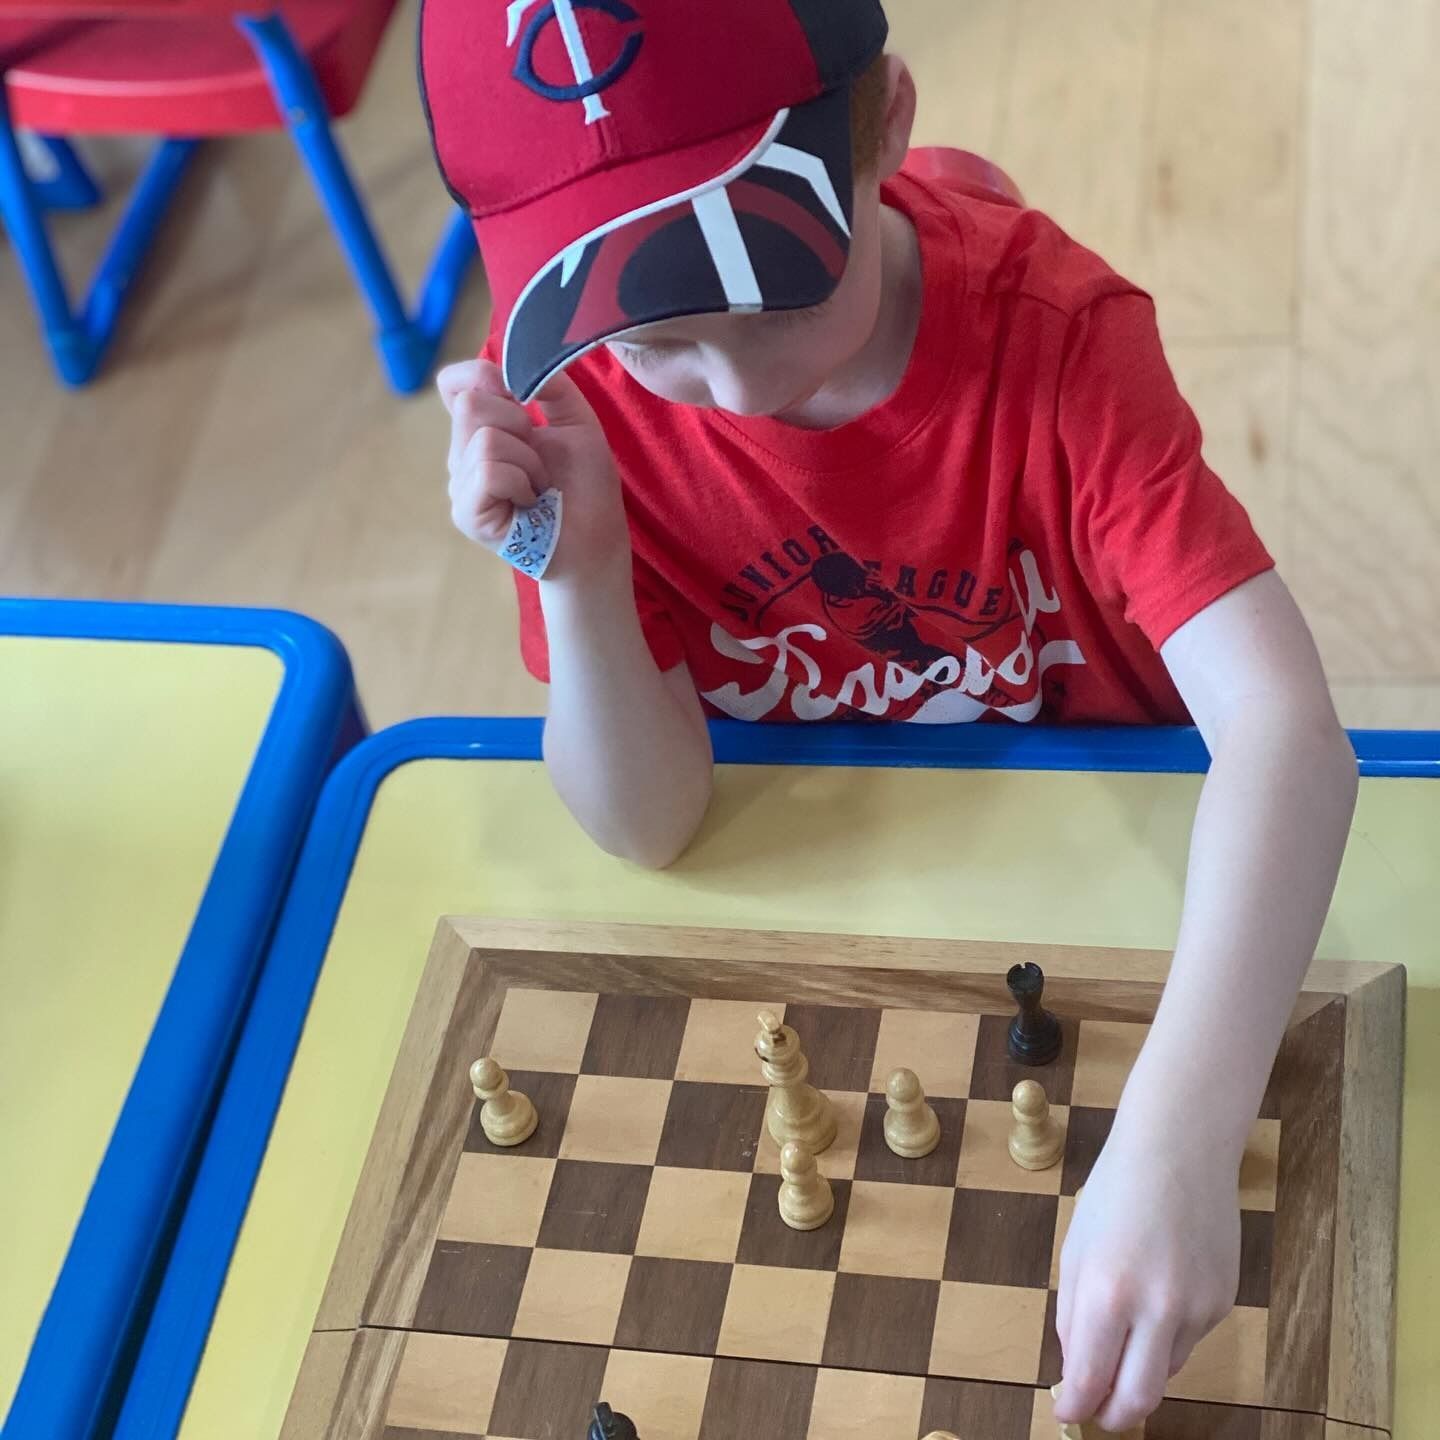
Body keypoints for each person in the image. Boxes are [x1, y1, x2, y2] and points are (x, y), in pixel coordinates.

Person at [420, 0, 1358, 1430]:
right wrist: (586, 564)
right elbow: (649, 823)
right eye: (663, 340)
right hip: (844, 906)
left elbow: (1291, 739)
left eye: (778, 291)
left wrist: (1179, 1136)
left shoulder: (1060, 346)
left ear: (891, 130)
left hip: (1107, 849)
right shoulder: (581, 405)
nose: (731, 388)